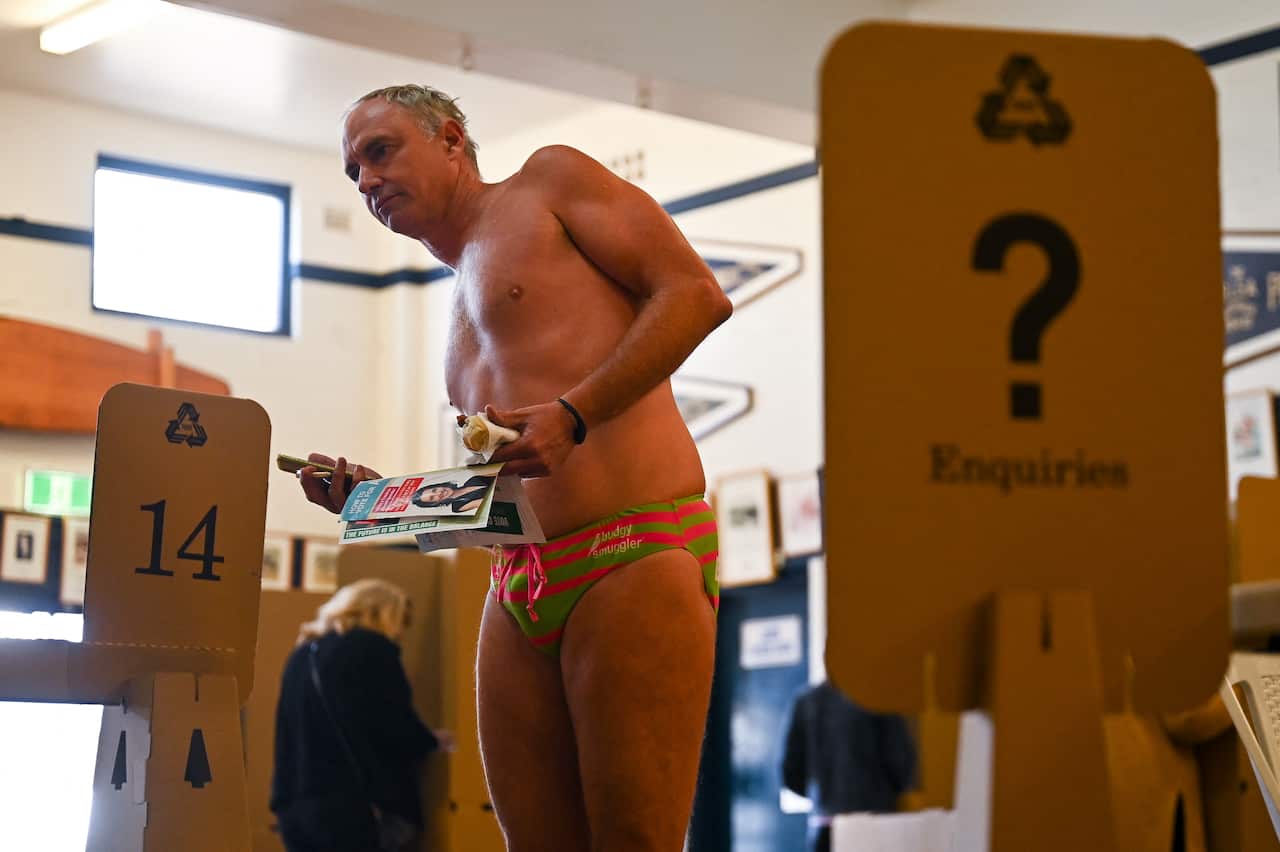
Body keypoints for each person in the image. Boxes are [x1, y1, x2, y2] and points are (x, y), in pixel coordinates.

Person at [298, 84, 732, 851]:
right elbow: (505, 490)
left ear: (453, 140)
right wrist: (375, 500)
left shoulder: (548, 181)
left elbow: (696, 294)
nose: (364, 181)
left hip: (631, 551)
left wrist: (574, 415)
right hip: (521, 577)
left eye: (380, 151)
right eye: (351, 172)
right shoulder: (457, 287)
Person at [270, 579, 455, 852]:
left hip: (294, 808)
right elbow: (397, 728)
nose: (401, 632)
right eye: (402, 621)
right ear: (385, 613)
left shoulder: (302, 654)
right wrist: (431, 740)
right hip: (351, 811)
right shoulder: (373, 648)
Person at [781, 680, 917, 852]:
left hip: (826, 823)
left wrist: (821, 795)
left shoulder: (807, 702)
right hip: (876, 822)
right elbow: (901, 762)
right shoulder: (879, 699)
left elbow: (791, 773)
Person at [411, 474, 493, 513]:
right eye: (432, 498)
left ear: (438, 486)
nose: (439, 493)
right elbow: (487, 502)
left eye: (434, 490)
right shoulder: (458, 506)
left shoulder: (473, 479)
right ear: (434, 503)